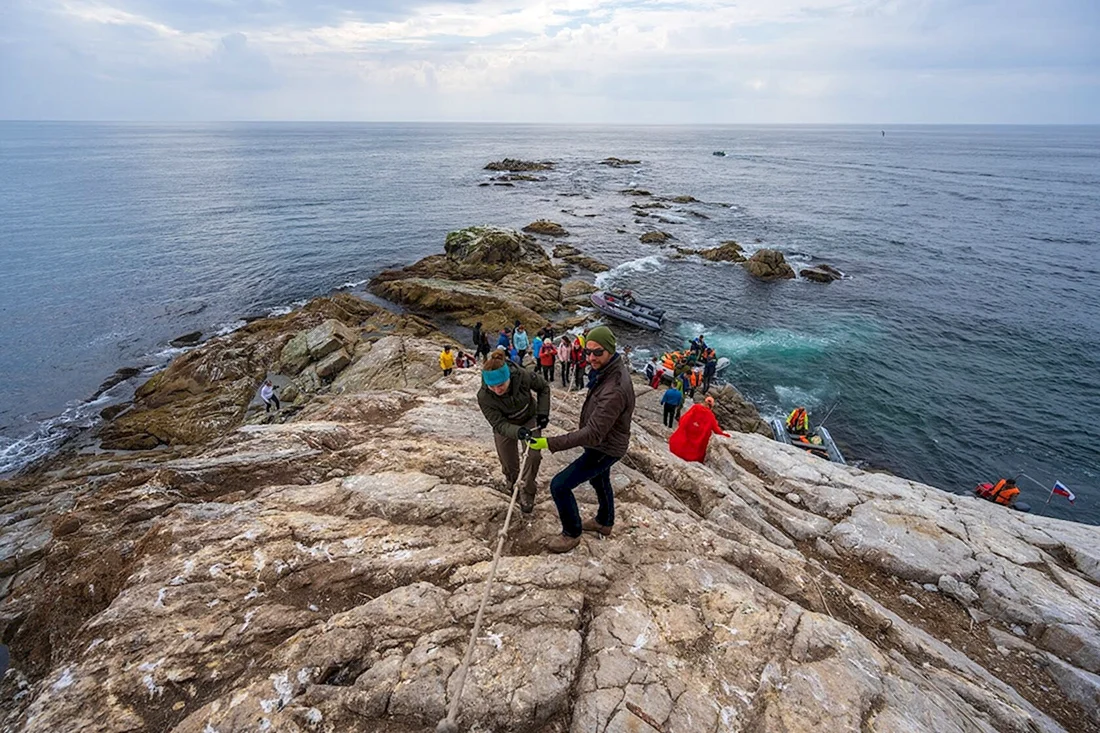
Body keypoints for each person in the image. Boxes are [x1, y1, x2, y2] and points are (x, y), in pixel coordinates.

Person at [525, 325, 635, 553]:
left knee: (560, 485)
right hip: (607, 443)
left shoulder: (614, 388)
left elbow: (594, 432)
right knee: (599, 480)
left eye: (597, 353)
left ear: (610, 351)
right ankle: (604, 522)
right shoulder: (609, 370)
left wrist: (549, 443)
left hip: (605, 447)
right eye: (588, 352)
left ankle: (571, 533)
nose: (591, 357)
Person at [477, 349, 551, 514]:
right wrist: (518, 432)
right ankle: (513, 485)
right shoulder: (484, 396)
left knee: (533, 456)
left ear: (508, 378)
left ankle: (528, 489)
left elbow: (543, 387)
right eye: (492, 386)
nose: (497, 390)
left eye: (501, 385)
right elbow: (498, 424)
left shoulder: (523, 376)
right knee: (508, 461)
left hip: (529, 418)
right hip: (505, 425)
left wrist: (543, 413)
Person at [669, 395, 729, 462]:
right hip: (698, 437)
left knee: (684, 443)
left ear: (704, 401)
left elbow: (685, 417)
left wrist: (683, 425)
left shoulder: (696, 407)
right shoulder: (711, 416)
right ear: (711, 406)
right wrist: (726, 435)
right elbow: (716, 429)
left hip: (689, 430)